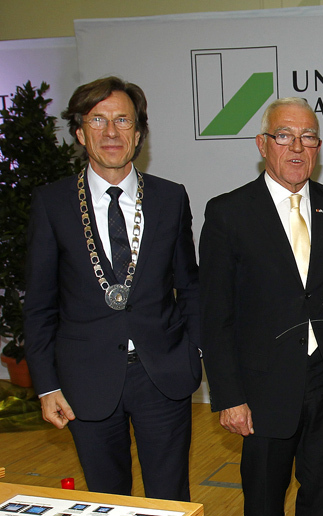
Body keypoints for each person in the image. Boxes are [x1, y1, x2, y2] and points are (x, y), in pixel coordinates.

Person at [23, 77, 201, 500]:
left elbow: (190, 287)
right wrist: (47, 386)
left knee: (169, 499)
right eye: (97, 120)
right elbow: (40, 306)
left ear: (138, 134)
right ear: (81, 133)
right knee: (106, 500)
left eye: (122, 120)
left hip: (163, 375)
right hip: (85, 379)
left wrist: (195, 351)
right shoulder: (52, 203)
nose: (110, 132)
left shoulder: (170, 198)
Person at [199, 97, 323, 516]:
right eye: (284, 136)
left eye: (308, 137)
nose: (296, 147)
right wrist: (228, 397)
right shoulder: (227, 213)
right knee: (263, 501)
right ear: (262, 144)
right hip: (261, 392)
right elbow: (214, 315)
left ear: (318, 147)